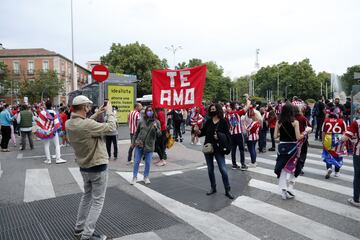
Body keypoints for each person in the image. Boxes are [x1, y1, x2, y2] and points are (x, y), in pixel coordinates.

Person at [66, 95, 116, 240]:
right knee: (98, 201)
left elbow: (84, 124)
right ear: (83, 107)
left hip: (84, 167)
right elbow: (111, 127)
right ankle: (87, 234)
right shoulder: (87, 125)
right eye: (88, 106)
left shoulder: (69, 123)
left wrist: (97, 113)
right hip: (97, 166)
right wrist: (110, 112)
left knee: (86, 197)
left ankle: (79, 228)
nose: (89, 108)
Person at [197, 103, 234, 199]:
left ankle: (227, 189)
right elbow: (202, 132)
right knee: (210, 169)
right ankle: (213, 188)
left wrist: (219, 136)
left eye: (213, 109)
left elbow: (228, 136)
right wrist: (197, 131)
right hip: (208, 148)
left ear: (218, 110)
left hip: (219, 149)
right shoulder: (208, 121)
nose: (212, 111)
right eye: (210, 109)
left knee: (223, 169)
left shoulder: (223, 122)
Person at [274, 103, 306, 200]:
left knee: (283, 168)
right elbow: (298, 137)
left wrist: (282, 136)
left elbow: (275, 136)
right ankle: (290, 187)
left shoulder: (278, 122)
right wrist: (305, 133)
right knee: (292, 167)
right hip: (292, 147)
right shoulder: (295, 122)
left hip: (282, 147)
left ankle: (283, 190)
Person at [130, 106, 161, 185]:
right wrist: (133, 143)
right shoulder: (141, 121)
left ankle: (146, 177)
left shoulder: (156, 122)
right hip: (139, 144)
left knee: (148, 163)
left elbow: (159, 135)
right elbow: (136, 133)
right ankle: (134, 177)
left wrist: (156, 128)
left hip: (149, 146)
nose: (149, 112)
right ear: (146, 112)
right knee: (136, 161)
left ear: (153, 112)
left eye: (151, 110)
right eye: (148, 110)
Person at [321, 103, 347, 179]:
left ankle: (329, 167)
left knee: (327, 153)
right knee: (338, 154)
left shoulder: (326, 120)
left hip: (328, 137)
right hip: (338, 138)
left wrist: (323, 140)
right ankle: (337, 171)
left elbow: (323, 131)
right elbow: (345, 132)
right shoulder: (342, 121)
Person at [342, 106, 360, 207]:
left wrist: (339, 140)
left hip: (358, 151)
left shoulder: (356, 123)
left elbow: (345, 137)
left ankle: (356, 199)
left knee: (358, 175)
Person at [225, 100, 250, 170]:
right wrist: (248, 100)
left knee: (233, 149)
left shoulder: (227, 115)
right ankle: (243, 164)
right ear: (235, 106)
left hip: (232, 134)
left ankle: (234, 164)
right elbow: (247, 107)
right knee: (241, 149)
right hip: (238, 133)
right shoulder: (238, 113)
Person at [294, 106, 311, 176]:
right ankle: (300, 167)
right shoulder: (303, 118)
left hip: (292, 139)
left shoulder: (290, 118)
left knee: (295, 154)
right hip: (302, 138)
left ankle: (293, 166)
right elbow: (309, 127)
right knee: (303, 153)